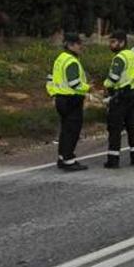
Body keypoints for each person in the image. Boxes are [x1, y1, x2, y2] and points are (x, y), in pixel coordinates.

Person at [46, 33, 91, 171]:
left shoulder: (60, 59)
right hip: (72, 100)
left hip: (61, 99)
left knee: (65, 131)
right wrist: (88, 87)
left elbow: (50, 79)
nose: (81, 46)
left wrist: (53, 93)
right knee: (72, 131)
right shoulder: (71, 61)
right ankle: (69, 161)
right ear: (70, 45)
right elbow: (74, 83)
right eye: (78, 44)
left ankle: (62, 158)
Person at [103, 31, 134, 169]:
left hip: (120, 96)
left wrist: (106, 85)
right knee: (132, 127)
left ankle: (113, 160)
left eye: (113, 42)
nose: (110, 45)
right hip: (132, 94)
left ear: (122, 42)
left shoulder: (119, 58)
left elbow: (113, 78)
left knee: (115, 128)